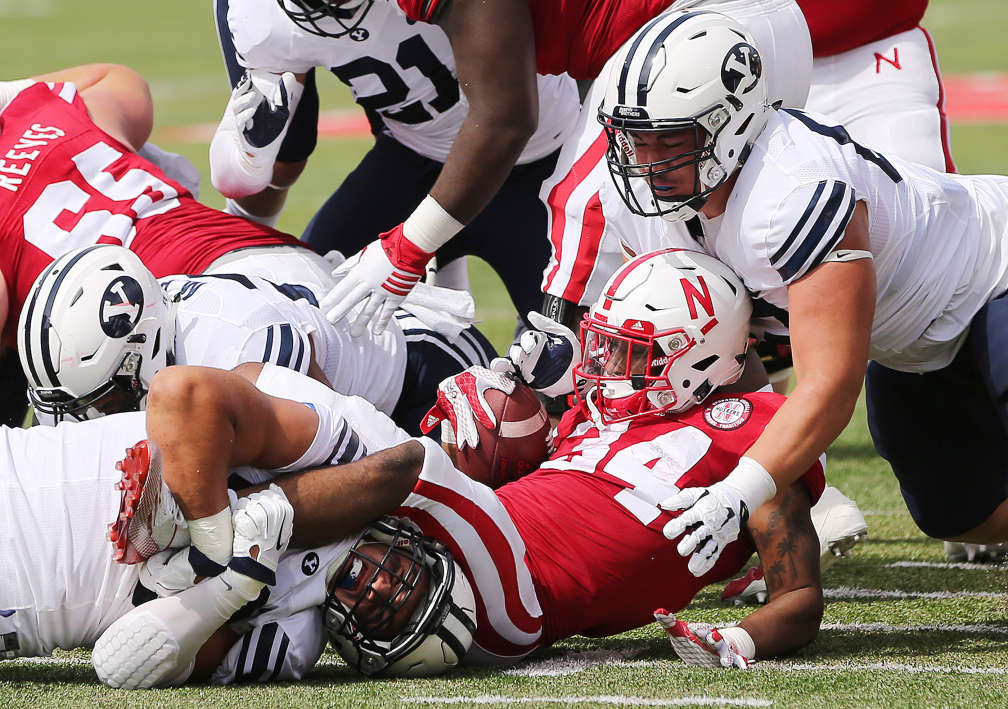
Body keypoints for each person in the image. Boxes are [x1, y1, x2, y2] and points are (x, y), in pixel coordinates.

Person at [129, 250, 827, 671]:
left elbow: (797, 595)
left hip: (517, 603)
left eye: (632, 352)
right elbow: (520, 477)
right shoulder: (595, 418)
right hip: (470, 541)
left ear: (702, 359)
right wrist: (490, 425)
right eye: (605, 344)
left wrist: (740, 637)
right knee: (282, 386)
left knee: (415, 464)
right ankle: (208, 509)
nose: (604, 364)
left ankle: (233, 532)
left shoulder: (752, 437)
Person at [589, 11, 1008, 575]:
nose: (643, 161)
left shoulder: (792, 189)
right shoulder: (658, 202)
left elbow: (830, 386)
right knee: (959, 513)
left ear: (728, 124)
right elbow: (732, 370)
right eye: (634, 139)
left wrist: (738, 492)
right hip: (916, 345)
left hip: (994, 279)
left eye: (666, 140)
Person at [276, 0, 813, 336]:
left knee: (585, 213)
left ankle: (572, 388)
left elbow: (506, 118)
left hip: (693, 31)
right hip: (753, 25)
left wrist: (406, 250)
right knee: (725, 252)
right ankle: (780, 470)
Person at [0, 360, 462, 686]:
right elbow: (181, 394)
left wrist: (232, 587)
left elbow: (122, 662)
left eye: (383, 617)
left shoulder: (293, 639)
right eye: (403, 579)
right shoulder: (343, 452)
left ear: (356, 645)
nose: (378, 590)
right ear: (406, 540)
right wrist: (214, 541)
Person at [212, 0, 581, 325]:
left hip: (539, 159)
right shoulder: (257, 12)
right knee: (307, 309)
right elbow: (285, 154)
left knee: (579, 361)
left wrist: (411, 246)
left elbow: (505, 121)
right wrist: (246, 169)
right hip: (410, 156)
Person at [17, 244, 494, 434]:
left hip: (416, 379)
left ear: (143, 353)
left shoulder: (237, 341)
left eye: (104, 401)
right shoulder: (123, 356)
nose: (88, 422)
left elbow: (346, 448)